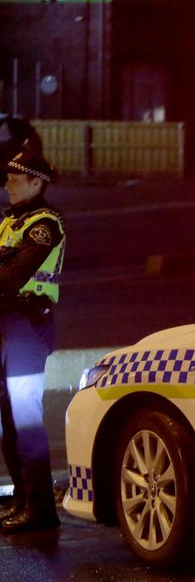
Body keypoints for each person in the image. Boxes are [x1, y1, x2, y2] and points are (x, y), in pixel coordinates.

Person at [0, 149, 63, 533]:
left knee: (25, 419)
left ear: (37, 182)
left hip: (27, 324)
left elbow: (12, 278)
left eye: (15, 178)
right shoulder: (9, 222)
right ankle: (22, 503)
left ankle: (40, 509)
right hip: (6, 324)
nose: (7, 184)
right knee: (7, 418)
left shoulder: (44, 224)